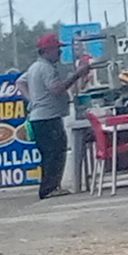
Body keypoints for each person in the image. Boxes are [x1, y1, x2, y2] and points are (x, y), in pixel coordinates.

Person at [23, 30, 76, 197]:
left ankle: (51, 186)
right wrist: (76, 75)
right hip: (48, 117)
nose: (59, 52)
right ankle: (49, 188)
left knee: (49, 154)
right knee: (55, 153)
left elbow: (20, 82)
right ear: (47, 51)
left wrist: (32, 99)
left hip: (41, 117)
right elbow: (56, 89)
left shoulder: (34, 67)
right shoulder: (46, 69)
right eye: (56, 49)